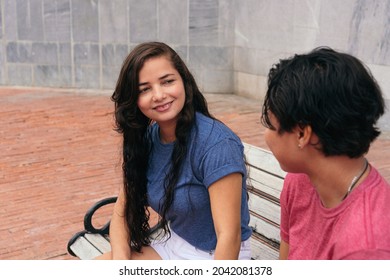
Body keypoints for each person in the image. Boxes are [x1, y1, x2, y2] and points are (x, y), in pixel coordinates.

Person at [97, 42, 252, 260]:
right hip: (174, 245)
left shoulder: (216, 145)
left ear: (184, 82)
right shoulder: (148, 140)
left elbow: (229, 237)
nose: (158, 95)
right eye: (144, 89)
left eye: (167, 82)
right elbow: (123, 211)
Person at [261, 47, 390, 259]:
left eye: (269, 124)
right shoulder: (300, 180)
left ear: (302, 133)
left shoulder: (367, 248)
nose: (266, 135)